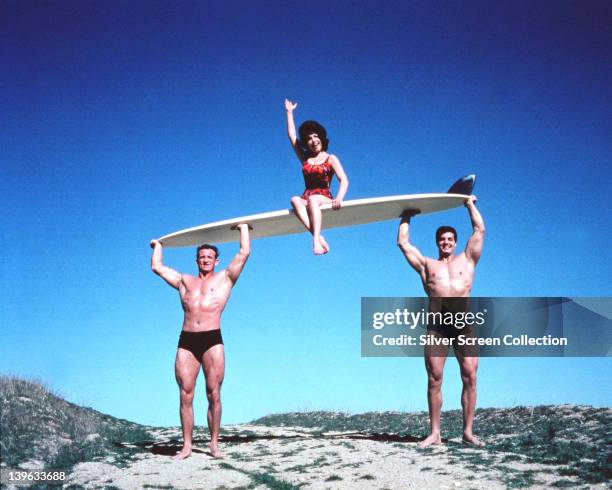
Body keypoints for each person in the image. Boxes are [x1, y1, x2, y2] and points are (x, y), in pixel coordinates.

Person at [149, 224, 250, 459]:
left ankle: (214, 445)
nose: (205, 260)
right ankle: (186, 446)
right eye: (202, 257)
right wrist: (158, 246)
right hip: (187, 340)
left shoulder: (226, 278)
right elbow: (156, 266)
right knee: (185, 394)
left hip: (212, 338)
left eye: (210, 257)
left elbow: (244, 252)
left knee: (213, 393)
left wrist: (244, 228)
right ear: (196, 261)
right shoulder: (184, 281)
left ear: (216, 261)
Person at [397, 196, 485, 448]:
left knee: (470, 376)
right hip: (437, 328)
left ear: (455, 242)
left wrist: (469, 204)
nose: (446, 242)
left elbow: (480, 229)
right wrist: (405, 216)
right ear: (437, 242)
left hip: (463, 326)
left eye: (450, 239)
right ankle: (435, 433)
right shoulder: (427, 265)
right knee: (434, 378)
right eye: (442, 239)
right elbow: (403, 243)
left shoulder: (467, 260)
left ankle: (468, 432)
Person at [284, 98, 349, 255]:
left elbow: (344, 180)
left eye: (315, 136)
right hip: (307, 195)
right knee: (294, 199)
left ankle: (315, 243)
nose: (313, 140)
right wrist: (289, 112)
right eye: (309, 139)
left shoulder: (331, 158)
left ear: (321, 137)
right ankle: (318, 237)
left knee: (314, 199)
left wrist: (339, 198)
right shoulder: (306, 158)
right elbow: (292, 137)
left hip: (324, 196)